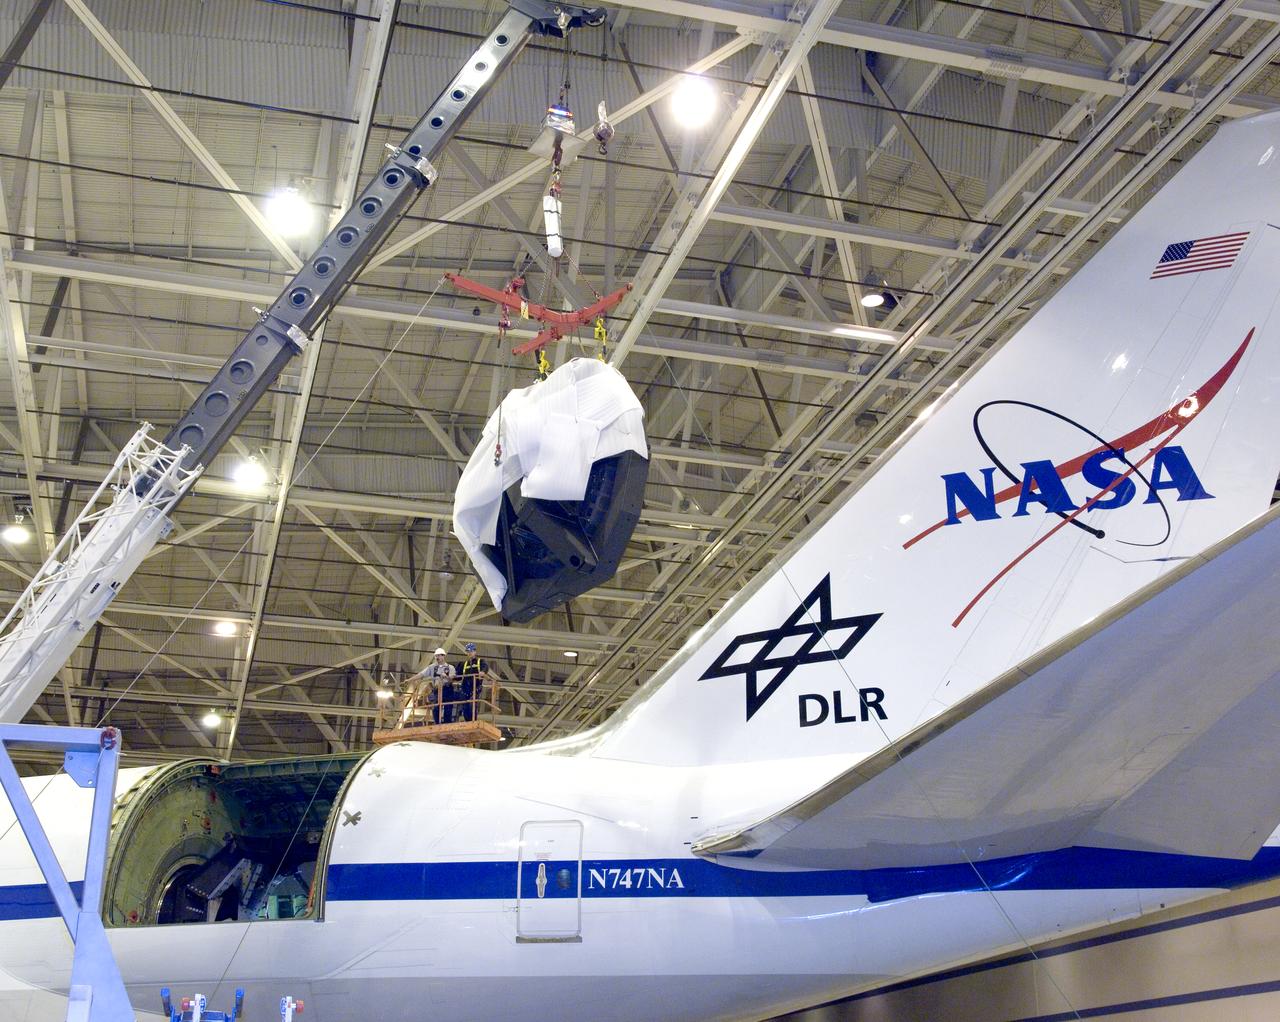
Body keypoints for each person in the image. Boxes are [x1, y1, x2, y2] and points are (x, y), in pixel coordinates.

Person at [407, 648, 455, 724]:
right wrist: (410, 679)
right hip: (436, 690)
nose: (437, 658)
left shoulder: (450, 667)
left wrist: (446, 676)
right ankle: (437, 724)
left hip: (447, 689)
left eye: (439, 656)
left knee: (448, 708)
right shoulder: (432, 667)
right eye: (436, 656)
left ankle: (447, 724)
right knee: (436, 709)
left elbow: (452, 679)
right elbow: (421, 674)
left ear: (443, 656)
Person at [454, 643, 488, 722]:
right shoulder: (464, 664)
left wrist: (482, 672)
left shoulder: (480, 661)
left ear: (475, 651)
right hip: (465, 688)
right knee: (465, 706)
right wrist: (451, 677)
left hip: (475, 687)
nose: (469, 653)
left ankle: (473, 721)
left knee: (472, 704)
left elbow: (485, 667)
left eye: (471, 651)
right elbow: (458, 676)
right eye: (468, 651)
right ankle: (468, 721)